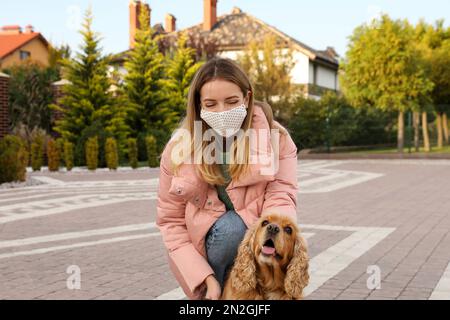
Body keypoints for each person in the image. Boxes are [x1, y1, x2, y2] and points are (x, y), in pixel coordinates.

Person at [156, 57, 299, 300]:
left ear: (247, 98)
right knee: (231, 230)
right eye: (211, 104)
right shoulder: (178, 150)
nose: (222, 112)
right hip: (203, 250)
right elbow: (171, 222)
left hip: (256, 238)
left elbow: (281, 196)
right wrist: (205, 278)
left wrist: (276, 242)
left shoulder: (277, 139)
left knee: (239, 227)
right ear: (199, 106)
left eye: (232, 102)